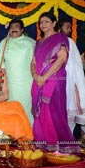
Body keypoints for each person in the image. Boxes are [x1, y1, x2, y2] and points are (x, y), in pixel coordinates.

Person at [31, 12, 80, 153]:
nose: (43, 24)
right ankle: (44, 145)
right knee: (40, 114)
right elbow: (33, 62)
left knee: (54, 112)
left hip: (54, 81)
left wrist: (44, 77)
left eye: (46, 21)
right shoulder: (38, 42)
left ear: (53, 23)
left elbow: (61, 58)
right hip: (39, 81)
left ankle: (60, 146)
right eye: (41, 22)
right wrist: (35, 75)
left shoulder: (60, 38)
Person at [0, 19, 35, 125]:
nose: (14, 29)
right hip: (10, 84)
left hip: (26, 84)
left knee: (25, 109)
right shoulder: (4, 42)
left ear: (22, 30)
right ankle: (12, 134)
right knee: (11, 110)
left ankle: (28, 136)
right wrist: (3, 75)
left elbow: (35, 62)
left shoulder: (30, 42)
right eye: (12, 27)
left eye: (17, 27)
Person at [56, 19, 85, 138]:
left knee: (69, 110)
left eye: (70, 28)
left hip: (69, 81)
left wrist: (77, 83)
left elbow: (77, 65)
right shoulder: (52, 42)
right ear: (59, 29)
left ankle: (66, 141)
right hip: (56, 82)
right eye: (67, 27)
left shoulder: (70, 41)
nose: (69, 30)